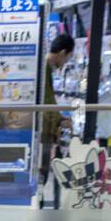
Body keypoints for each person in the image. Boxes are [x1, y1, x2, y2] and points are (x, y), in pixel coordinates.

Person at [40, 33, 74, 179]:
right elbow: (46, 100)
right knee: (43, 171)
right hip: (43, 129)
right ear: (62, 53)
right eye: (67, 57)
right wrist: (60, 120)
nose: (66, 62)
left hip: (43, 126)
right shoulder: (45, 68)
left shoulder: (44, 66)